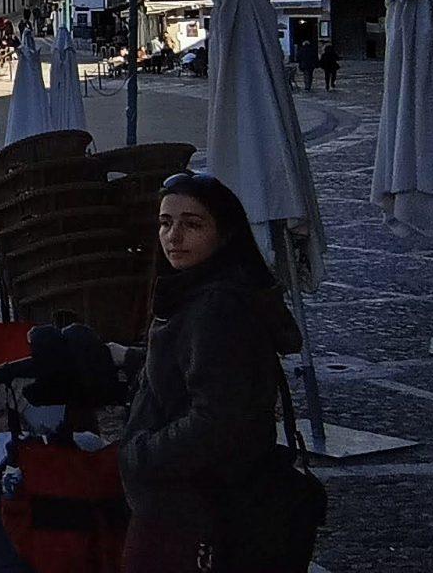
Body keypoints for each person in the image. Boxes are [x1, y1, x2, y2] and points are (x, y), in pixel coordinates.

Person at [120, 173, 306, 571]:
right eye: (166, 222)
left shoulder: (218, 307)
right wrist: (129, 359)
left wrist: (140, 455)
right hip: (194, 497)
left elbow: (217, 419)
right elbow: (196, 367)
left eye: (192, 224)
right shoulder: (200, 291)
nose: (173, 236)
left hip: (197, 503)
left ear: (223, 234)